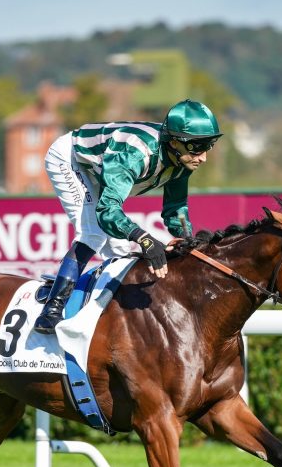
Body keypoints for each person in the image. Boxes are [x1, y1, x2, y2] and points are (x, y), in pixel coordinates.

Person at [34, 98, 222, 334]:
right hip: (72, 159)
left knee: (120, 252)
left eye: (208, 146)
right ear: (174, 142)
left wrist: (187, 240)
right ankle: (51, 310)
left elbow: (176, 208)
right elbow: (107, 211)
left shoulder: (182, 160)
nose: (203, 157)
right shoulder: (134, 153)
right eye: (197, 147)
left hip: (101, 169)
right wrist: (144, 238)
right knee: (93, 233)